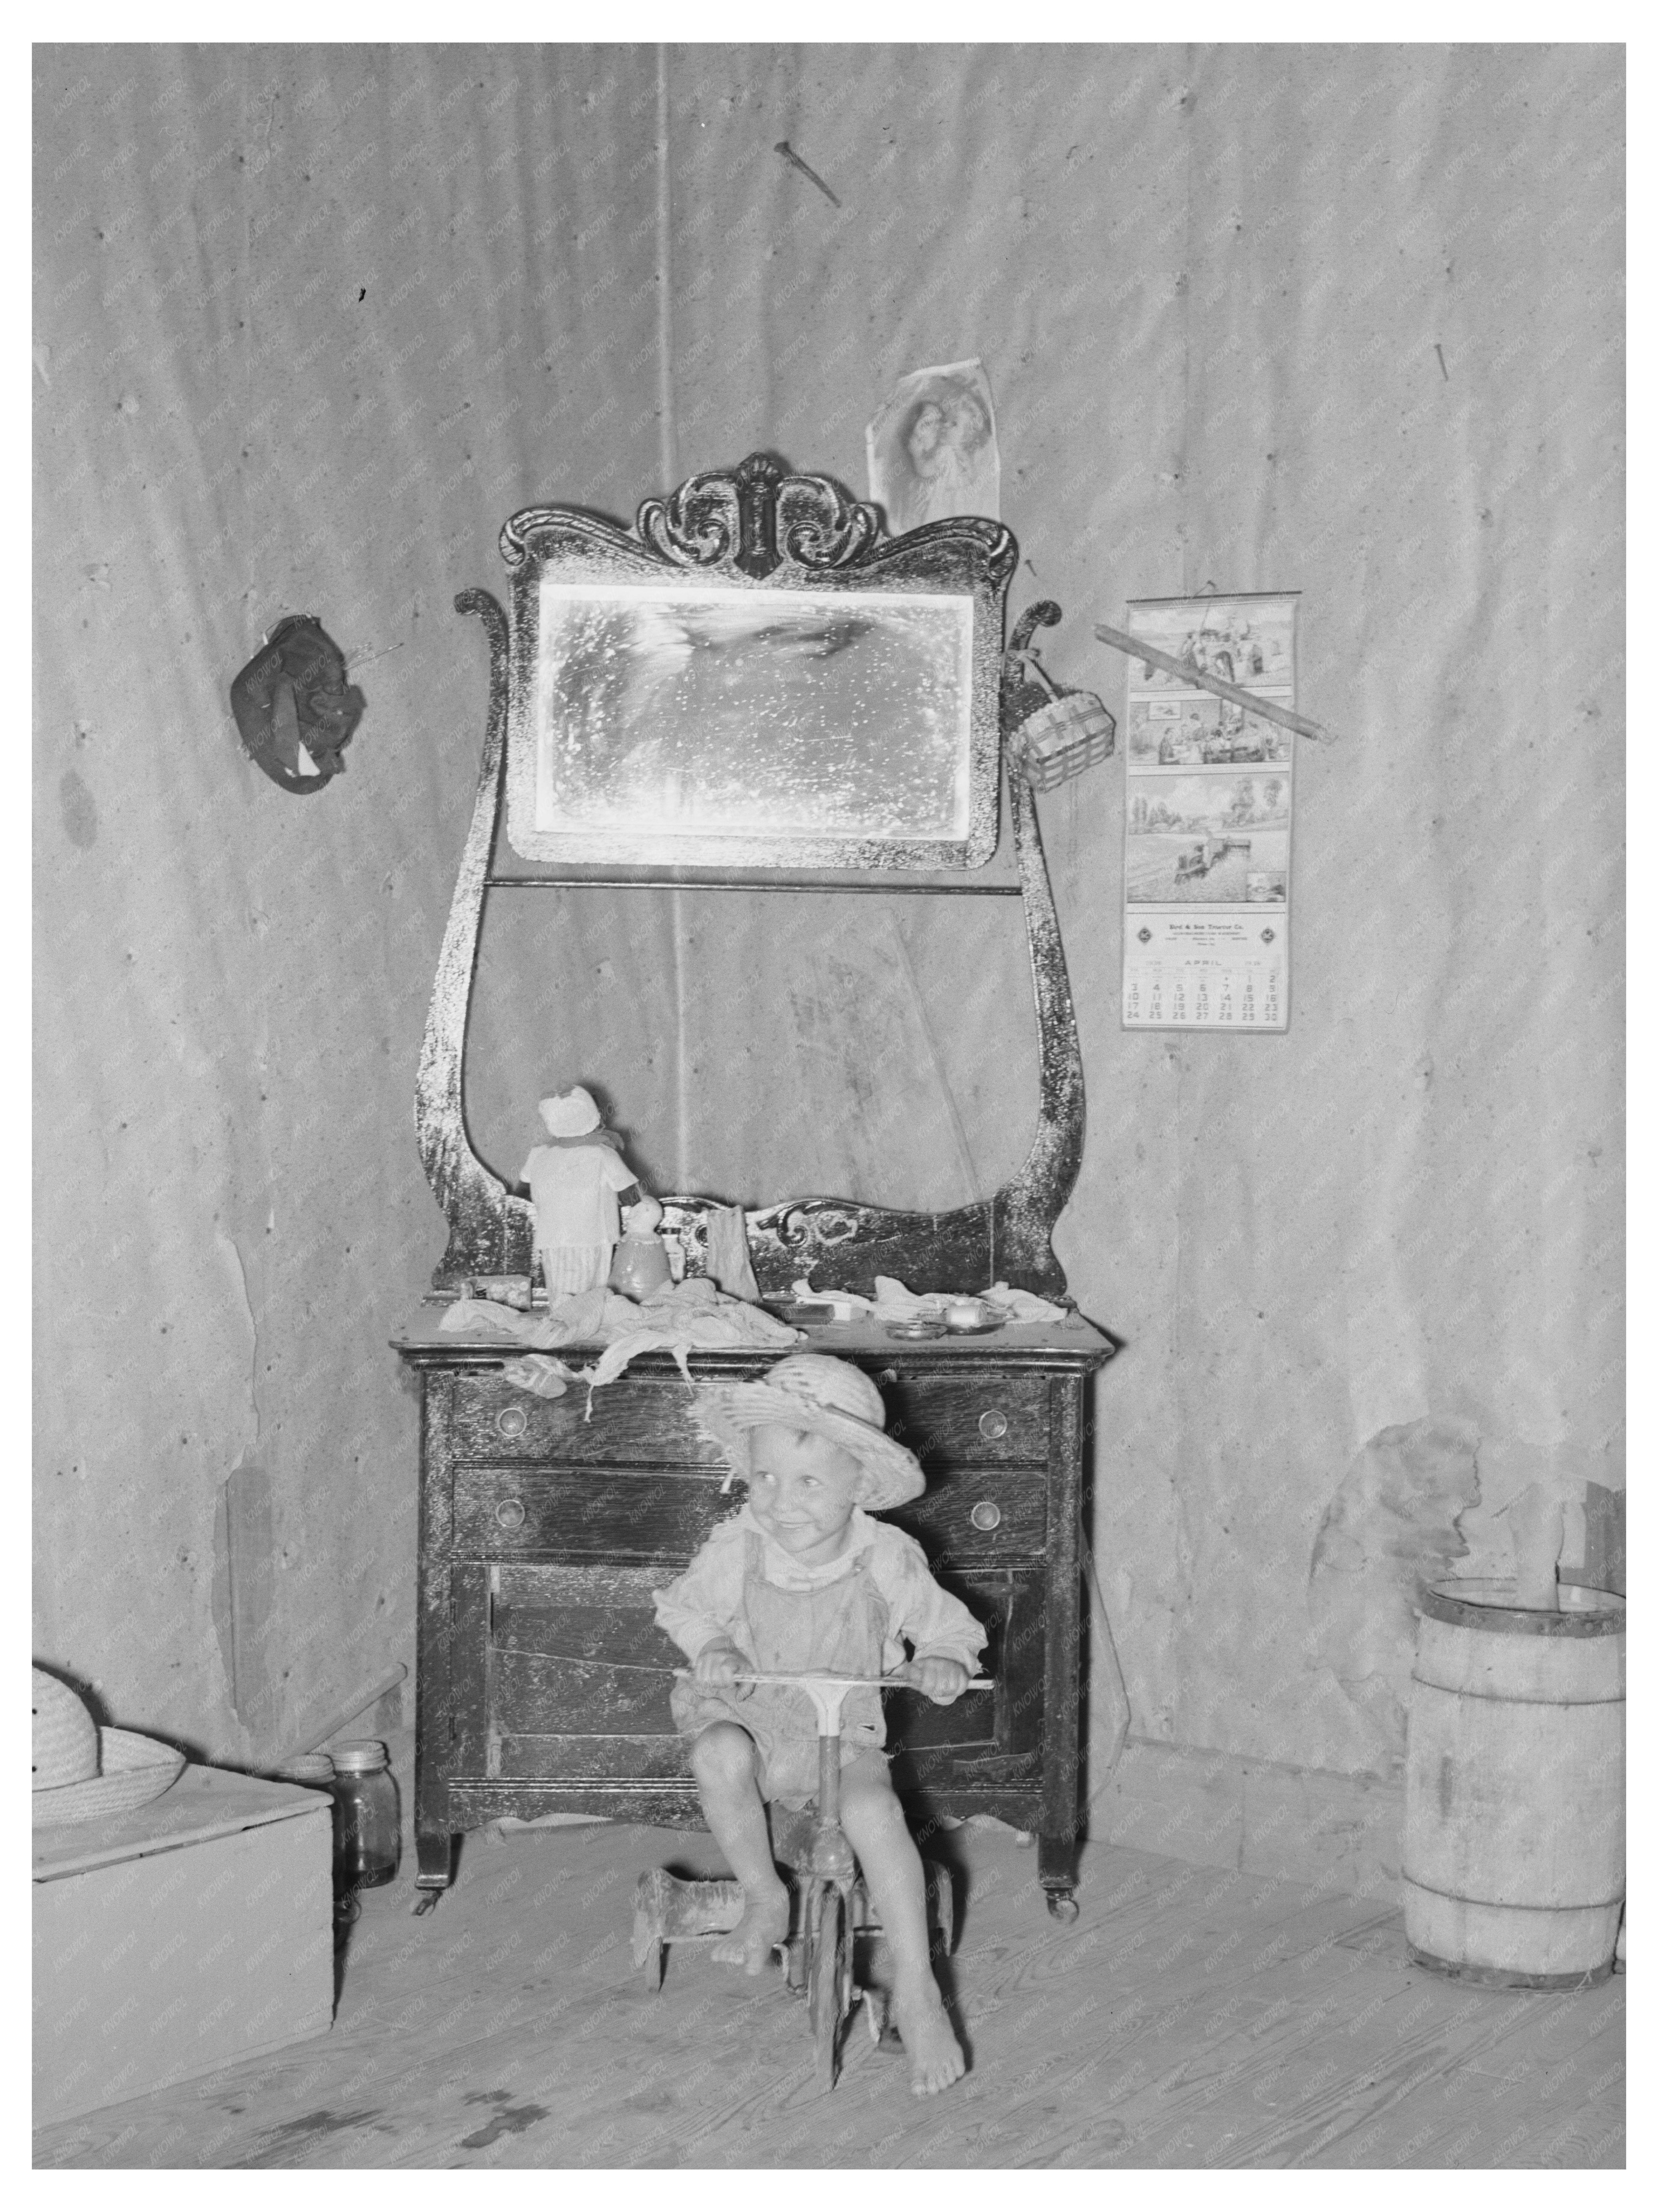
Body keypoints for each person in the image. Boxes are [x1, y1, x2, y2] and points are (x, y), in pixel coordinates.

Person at [653, 1353, 986, 2096]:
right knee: (716, 1752)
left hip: (843, 1739)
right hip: (757, 1724)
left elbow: (950, 1631)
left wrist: (940, 1662)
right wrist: (711, 1646)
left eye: (807, 1483)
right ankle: (762, 1891)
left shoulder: (888, 1557)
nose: (780, 1502)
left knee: (875, 1809)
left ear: (858, 1487)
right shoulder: (737, 1545)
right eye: (765, 1477)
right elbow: (682, 1606)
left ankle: (917, 1988)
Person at [517, 1086, 647, 1295]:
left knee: (559, 1286)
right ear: (594, 1117)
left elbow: (522, 1193)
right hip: (593, 1235)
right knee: (592, 1289)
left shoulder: (539, 1154)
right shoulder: (603, 1154)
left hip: (551, 1237)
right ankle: (582, 1320)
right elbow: (630, 1195)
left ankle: (563, 1318)